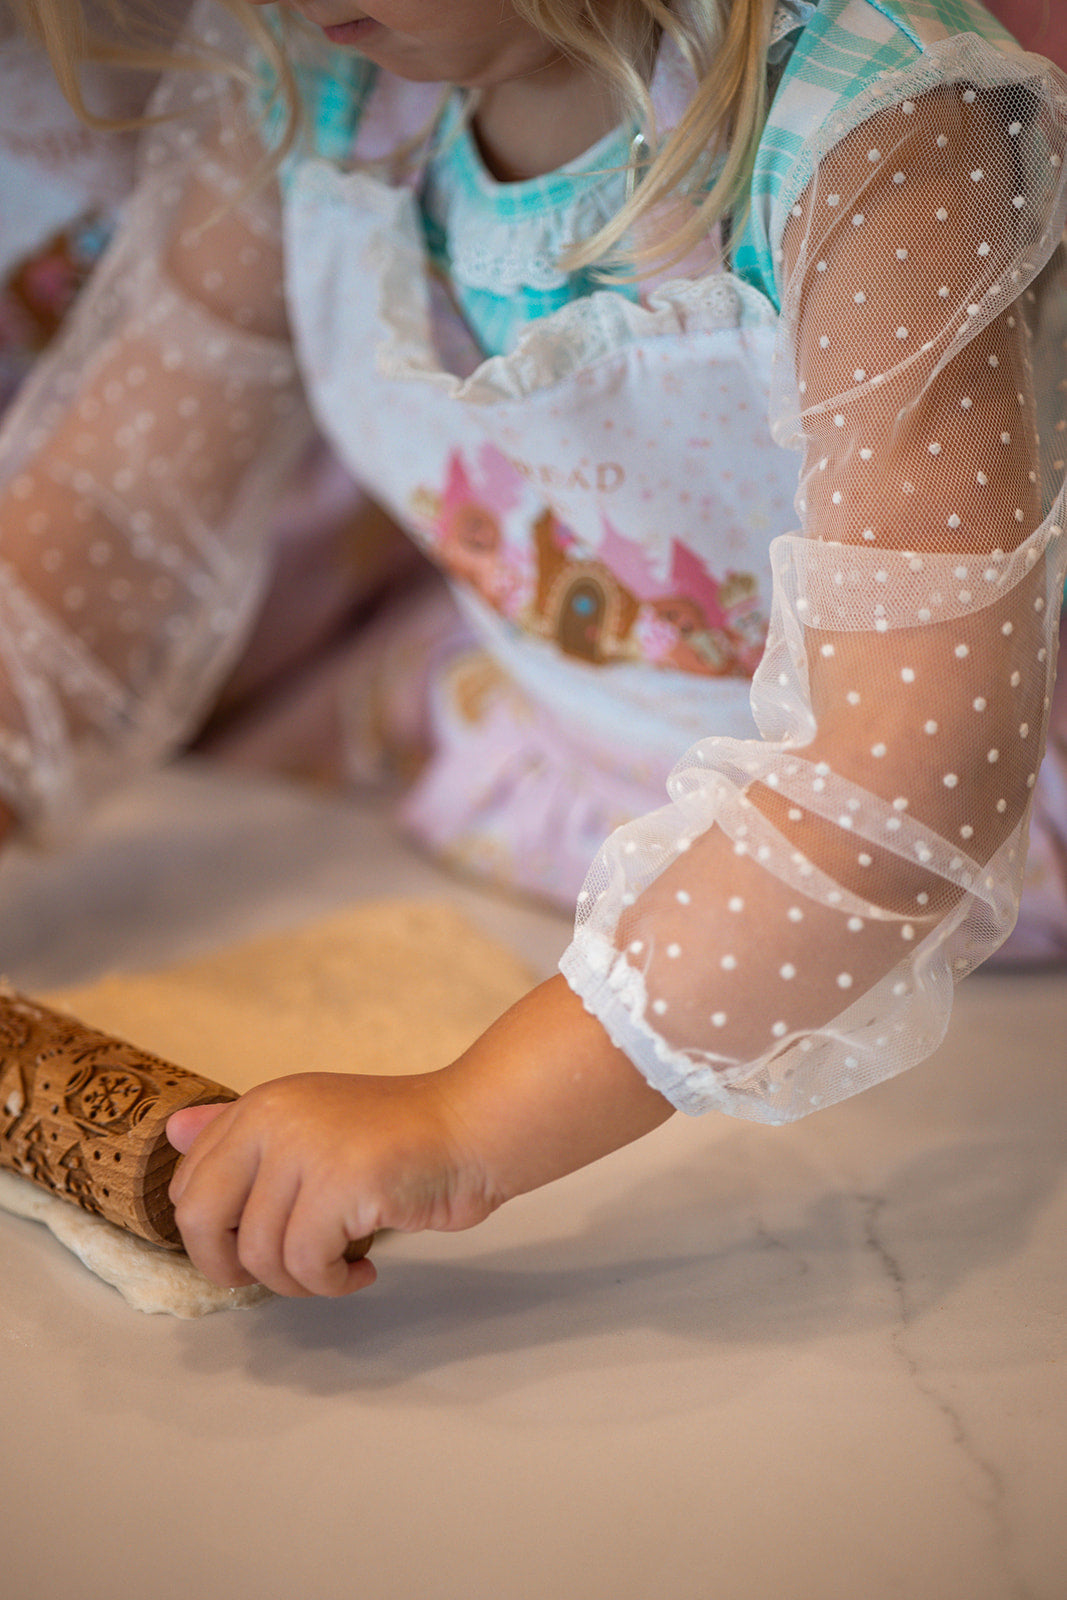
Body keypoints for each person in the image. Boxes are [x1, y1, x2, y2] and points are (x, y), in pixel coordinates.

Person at [3, 0, 1067, 1299]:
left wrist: (467, 1120)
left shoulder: (873, 121)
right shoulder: (302, 73)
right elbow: (117, 502)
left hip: (905, 853)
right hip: (536, 767)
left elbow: (922, 759)